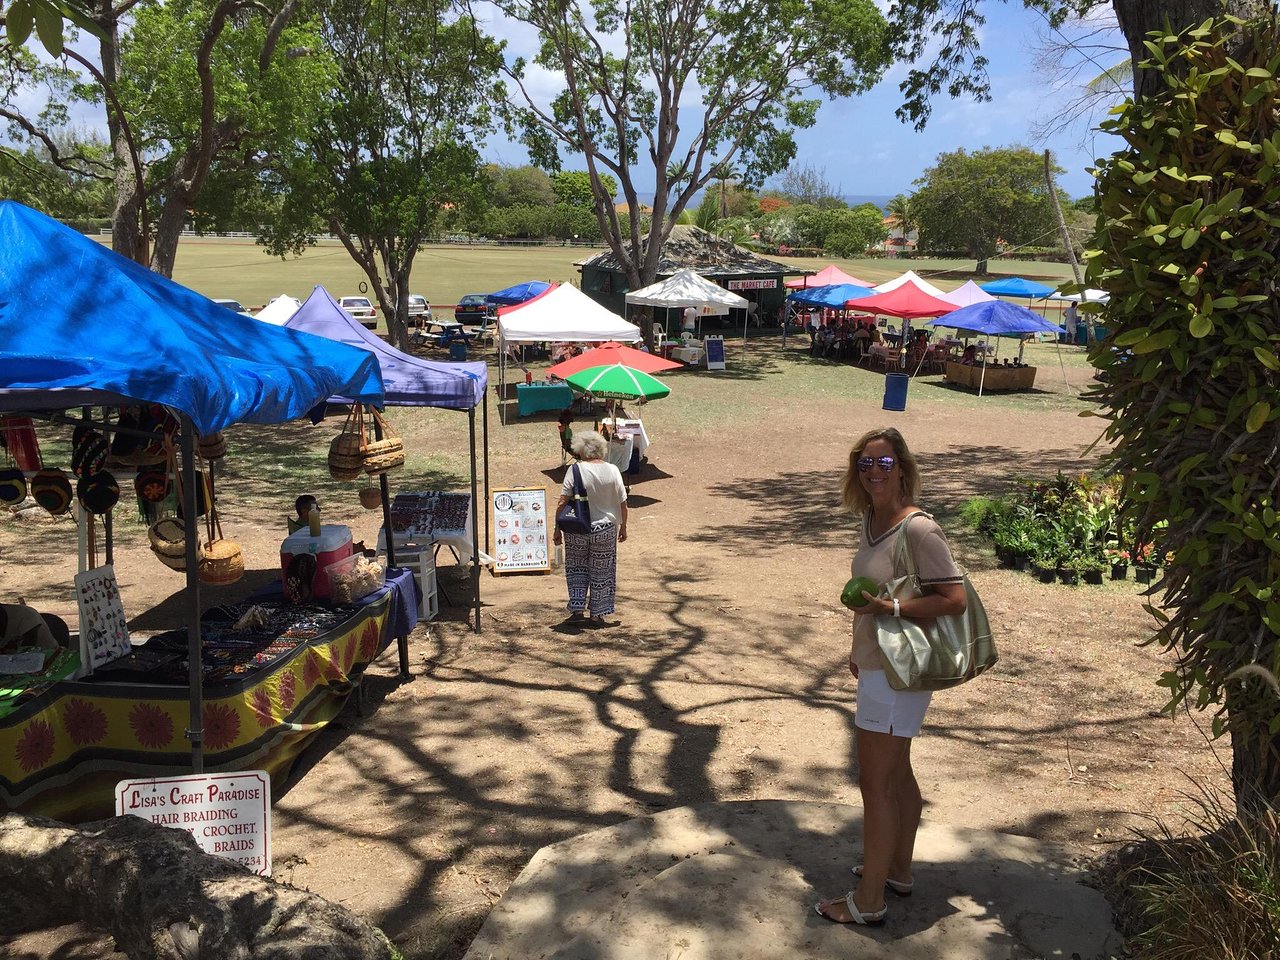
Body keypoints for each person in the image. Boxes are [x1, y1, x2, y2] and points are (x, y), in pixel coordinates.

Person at [815, 428, 966, 926]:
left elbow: (953, 598)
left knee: (875, 784)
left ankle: (869, 900)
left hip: (900, 670)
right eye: (865, 463)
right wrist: (858, 645)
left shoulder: (919, 529)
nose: (874, 472)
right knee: (897, 772)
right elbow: (871, 600)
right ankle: (897, 869)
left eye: (884, 463)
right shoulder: (871, 519)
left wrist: (892, 607)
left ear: (903, 467)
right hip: (880, 663)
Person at [551, 430, 628, 627]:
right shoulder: (612, 470)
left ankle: (577, 610)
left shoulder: (575, 470)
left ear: (580, 450)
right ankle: (598, 614)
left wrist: (557, 527)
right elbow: (623, 502)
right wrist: (623, 527)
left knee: (576, 568)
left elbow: (562, 501)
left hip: (577, 528)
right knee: (602, 571)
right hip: (605, 528)